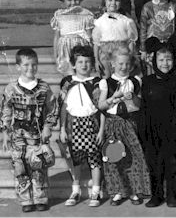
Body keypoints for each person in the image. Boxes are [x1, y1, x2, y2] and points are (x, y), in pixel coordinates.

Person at [1, 48, 58, 213]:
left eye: (34, 65)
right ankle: (26, 199)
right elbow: (6, 110)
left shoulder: (43, 88)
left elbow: (52, 108)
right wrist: (5, 132)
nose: (30, 68)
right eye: (26, 65)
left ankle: (41, 198)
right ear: (18, 66)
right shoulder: (11, 88)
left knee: (38, 167)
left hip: (37, 137)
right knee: (20, 169)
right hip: (18, 137)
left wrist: (48, 126)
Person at [98, 47, 151, 206]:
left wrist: (133, 97)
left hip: (131, 122)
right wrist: (113, 98)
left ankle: (135, 191)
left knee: (134, 157)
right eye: (120, 63)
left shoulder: (135, 81)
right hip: (113, 122)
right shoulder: (106, 83)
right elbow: (101, 106)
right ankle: (118, 192)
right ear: (113, 64)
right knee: (114, 158)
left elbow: (139, 104)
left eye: (127, 64)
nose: (124, 67)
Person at [59, 45, 104, 208]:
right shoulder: (67, 82)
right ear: (73, 64)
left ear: (92, 64)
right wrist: (62, 129)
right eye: (80, 62)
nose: (84, 65)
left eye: (87, 62)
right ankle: (76, 189)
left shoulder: (97, 82)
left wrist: (101, 130)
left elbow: (102, 107)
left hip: (91, 123)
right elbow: (63, 107)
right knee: (75, 159)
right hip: (74, 125)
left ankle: (96, 191)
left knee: (95, 159)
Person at [141, 47, 176, 208]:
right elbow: (143, 107)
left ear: (173, 61)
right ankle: (156, 195)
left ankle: (173, 195)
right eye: (161, 60)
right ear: (155, 62)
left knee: (171, 164)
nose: (165, 63)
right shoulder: (147, 81)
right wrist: (144, 130)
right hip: (152, 130)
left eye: (168, 59)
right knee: (154, 164)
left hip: (170, 130)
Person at [51, 0, 95, 75]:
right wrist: (55, 54)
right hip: (64, 48)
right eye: (69, 0)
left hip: (81, 46)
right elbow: (56, 36)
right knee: (67, 72)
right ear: (63, 1)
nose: (73, 3)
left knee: (82, 71)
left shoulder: (85, 15)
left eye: (76, 0)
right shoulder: (59, 15)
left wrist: (92, 52)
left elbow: (90, 36)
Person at [92, 0, 138, 77]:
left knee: (121, 76)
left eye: (116, 0)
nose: (113, 3)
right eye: (110, 0)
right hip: (105, 53)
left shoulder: (126, 21)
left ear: (120, 3)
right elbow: (96, 42)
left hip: (121, 52)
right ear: (105, 2)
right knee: (106, 78)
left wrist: (130, 56)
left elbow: (131, 40)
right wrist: (96, 60)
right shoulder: (100, 21)